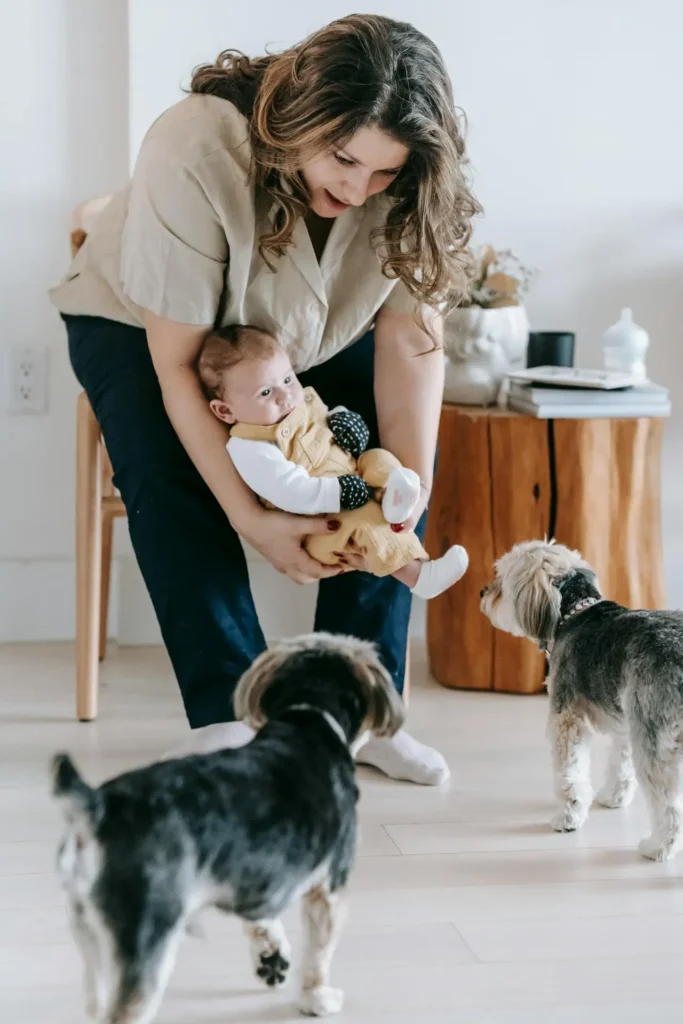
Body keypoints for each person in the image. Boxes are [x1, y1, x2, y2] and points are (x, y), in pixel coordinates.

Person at [50, 14, 479, 785]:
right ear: (298, 122)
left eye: (382, 175)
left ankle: (359, 707)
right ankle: (228, 714)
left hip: (301, 332)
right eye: (343, 159)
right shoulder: (195, 147)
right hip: (141, 324)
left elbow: (412, 347)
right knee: (162, 454)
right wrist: (256, 521)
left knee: (380, 450)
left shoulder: (412, 183)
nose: (355, 189)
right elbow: (178, 365)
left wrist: (399, 503)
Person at [197, 324, 470, 596]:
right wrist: (339, 493)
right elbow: (289, 489)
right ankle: (421, 577)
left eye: (288, 379)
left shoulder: (298, 403)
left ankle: (395, 496)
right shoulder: (250, 446)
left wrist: (344, 423)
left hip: (351, 476)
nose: (285, 396)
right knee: (366, 523)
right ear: (225, 410)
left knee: (378, 457)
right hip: (321, 520)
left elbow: (324, 418)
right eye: (265, 393)